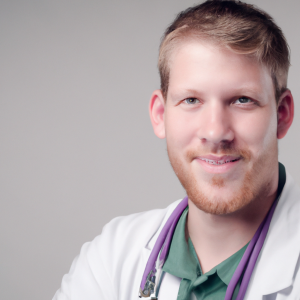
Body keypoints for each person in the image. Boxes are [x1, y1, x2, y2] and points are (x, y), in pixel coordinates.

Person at [53, 1, 300, 299]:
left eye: (242, 100)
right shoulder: (112, 256)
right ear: (160, 115)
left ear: (282, 115)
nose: (215, 132)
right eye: (192, 100)